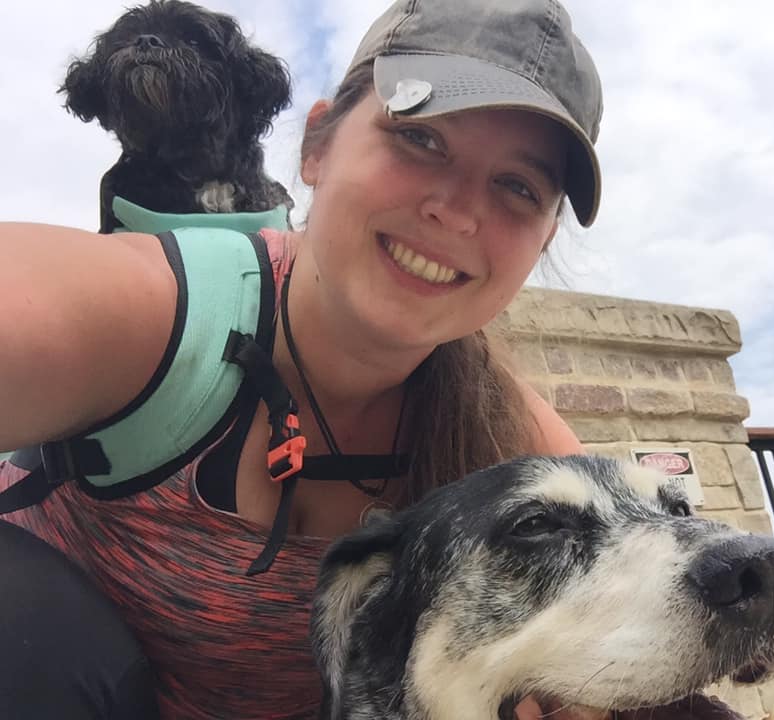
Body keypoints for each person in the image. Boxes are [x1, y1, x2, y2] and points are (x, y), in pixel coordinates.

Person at [0, 0, 603, 717]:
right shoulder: (162, 304)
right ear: (316, 146)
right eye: (420, 138)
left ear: (541, 241)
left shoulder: (503, 435)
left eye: (518, 187)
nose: (458, 211)